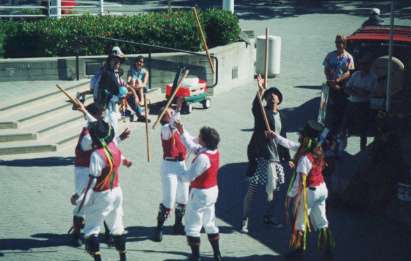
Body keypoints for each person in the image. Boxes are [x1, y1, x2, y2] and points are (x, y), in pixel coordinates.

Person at [268, 120, 334, 258]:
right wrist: (276, 137)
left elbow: (299, 182)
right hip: (322, 189)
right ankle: (327, 250)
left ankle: (299, 251)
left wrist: (291, 197)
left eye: (302, 135)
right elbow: (292, 145)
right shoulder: (317, 150)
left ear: (305, 137)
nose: (299, 137)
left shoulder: (304, 158)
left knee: (300, 222)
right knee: (322, 221)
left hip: (310, 192)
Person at [71, 102, 131, 247]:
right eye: (101, 115)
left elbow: (106, 144)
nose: (103, 118)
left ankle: (106, 232)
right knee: (82, 200)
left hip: (97, 167)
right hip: (84, 170)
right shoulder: (87, 135)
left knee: (101, 199)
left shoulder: (97, 129)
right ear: (95, 116)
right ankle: (77, 233)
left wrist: (120, 140)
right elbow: (102, 145)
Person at [241, 74, 291, 233]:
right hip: (260, 157)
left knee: (275, 192)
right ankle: (245, 220)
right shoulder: (262, 113)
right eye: (268, 96)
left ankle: (268, 217)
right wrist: (260, 90)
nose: (271, 97)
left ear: (279, 100)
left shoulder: (282, 116)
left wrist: (288, 158)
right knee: (252, 191)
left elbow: (284, 138)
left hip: (275, 160)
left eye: (274, 95)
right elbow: (256, 107)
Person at [175, 123, 222, 261]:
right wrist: (181, 131)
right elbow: (192, 146)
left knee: (192, 226)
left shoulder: (203, 158)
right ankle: (217, 254)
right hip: (213, 191)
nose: (198, 137)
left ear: (205, 141)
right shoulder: (213, 151)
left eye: (200, 136)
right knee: (210, 223)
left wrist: (179, 169)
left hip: (200, 193)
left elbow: (189, 176)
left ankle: (195, 257)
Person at [153, 101, 189, 242]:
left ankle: (178, 225)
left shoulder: (177, 127)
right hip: (169, 167)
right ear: (164, 118)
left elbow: (178, 121)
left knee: (183, 198)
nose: (173, 114)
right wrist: (177, 109)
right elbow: (173, 124)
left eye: (173, 112)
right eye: (170, 113)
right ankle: (159, 228)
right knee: (169, 200)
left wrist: (178, 106)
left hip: (181, 165)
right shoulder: (165, 129)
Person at [323, 35, 355, 146]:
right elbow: (326, 69)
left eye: (340, 42)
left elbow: (349, 72)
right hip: (330, 84)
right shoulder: (330, 55)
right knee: (328, 110)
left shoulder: (348, 57)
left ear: (344, 44)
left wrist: (338, 80)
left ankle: (339, 134)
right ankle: (327, 135)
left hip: (342, 86)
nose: (338, 44)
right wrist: (331, 81)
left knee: (341, 110)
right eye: (336, 42)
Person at [341, 54, 377, 151]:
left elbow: (366, 93)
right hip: (351, 103)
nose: (363, 65)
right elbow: (347, 89)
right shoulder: (356, 74)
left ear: (369, 65)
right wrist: (358, 90)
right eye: (362, 63)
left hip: (363, 105)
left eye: (366, 64)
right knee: (344, 126)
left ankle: (363, 149)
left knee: (363, 129)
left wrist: (354, 89)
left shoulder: (373, 78)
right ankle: (342, 147)